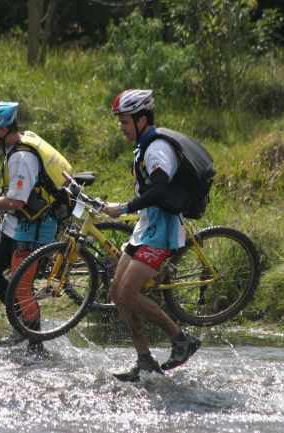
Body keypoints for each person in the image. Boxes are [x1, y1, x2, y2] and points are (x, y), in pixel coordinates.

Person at [103, 89, 201, 382]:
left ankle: (181, 340)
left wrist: (124, 208)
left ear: (142, 119)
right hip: (145, 228)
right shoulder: (144, 145)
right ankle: (145, 360)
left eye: (125, 122)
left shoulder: (156, 148)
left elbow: (159, 189)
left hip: (162, 232)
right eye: (119, 122)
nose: (121, 128)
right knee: (116, 293)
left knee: (129, 293)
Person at [0, 101, 60, 356]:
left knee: (21, 287)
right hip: (17, 223)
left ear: (2, 131)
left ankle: (36, 345)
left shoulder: (21, 157)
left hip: (35, 225)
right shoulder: (16, 146)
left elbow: (18, 201)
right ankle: (22, 325)